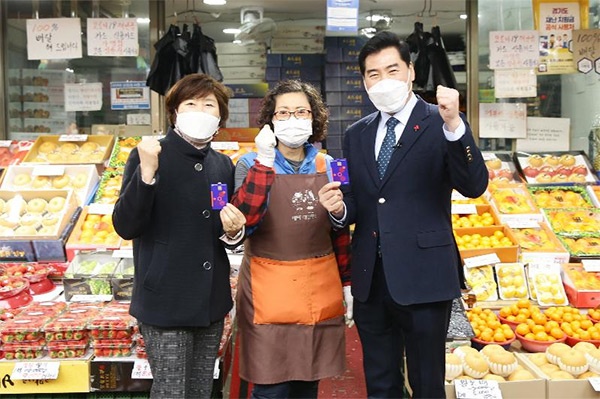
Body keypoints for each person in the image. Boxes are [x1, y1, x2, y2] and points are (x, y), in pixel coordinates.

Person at [318, 31, 488, 398]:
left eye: (392, 70)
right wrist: (338, 208)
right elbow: (356, 200)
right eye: (373, 74)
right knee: (380, 382)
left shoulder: (441, 122)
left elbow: (474, 185)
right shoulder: (356, 134)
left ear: (411, 71)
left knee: (427, 383)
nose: (383, 80)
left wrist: (456, 125)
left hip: (424, 276)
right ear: (363, 81)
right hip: (371, 279)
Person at [112, 73, 246, 399]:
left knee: (201, 389)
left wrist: (234, 232)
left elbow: (224, 233)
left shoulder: (222, 165)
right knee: (172, 391)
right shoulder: (149, 155)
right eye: (190, 103)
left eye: (208, 104)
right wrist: (146, 175)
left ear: (220, 117)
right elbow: (126, 226)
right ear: (175, 112)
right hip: (166, 300)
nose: (199, 110)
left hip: (211, 302)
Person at [231, 79, 352, 399]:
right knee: (271, 387)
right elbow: (246, 222)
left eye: (301, 112)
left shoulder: (331, 165)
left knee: (307, 382)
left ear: (315, 118)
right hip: (268, 287)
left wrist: (348, 283)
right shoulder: (249, 164)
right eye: (283, 113)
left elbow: (341, 230)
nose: (293, 119)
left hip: (318, 286)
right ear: (270, 119)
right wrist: (265, 163)